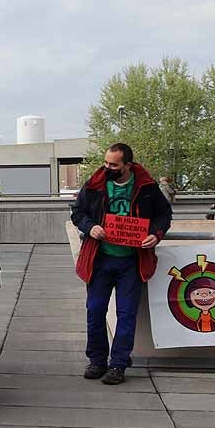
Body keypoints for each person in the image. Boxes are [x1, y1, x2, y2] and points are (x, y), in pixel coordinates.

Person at [70, 143, 172, 385]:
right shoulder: (95, 184)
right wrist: (90, 227)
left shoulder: (146, 186)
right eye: (106, 163)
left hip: (131, 261)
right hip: (100, 258)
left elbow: (163, 215)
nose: (108, 168)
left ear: (127, 165)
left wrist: (155, 234)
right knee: (95, 311)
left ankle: (118, 364)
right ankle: (97, 360)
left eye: (113, 164)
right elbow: (77, 212)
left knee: (126, 314)